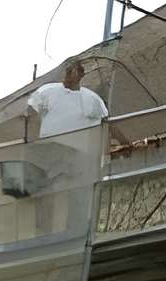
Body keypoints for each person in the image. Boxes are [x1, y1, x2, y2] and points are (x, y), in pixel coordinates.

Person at [20, 57, 109, 234]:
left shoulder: (91, 99)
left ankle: (76, 232)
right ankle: (43, 233)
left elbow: (106, 124)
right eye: (66, 71)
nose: (67, 75)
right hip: (50, 149)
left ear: (81, 74)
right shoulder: (49, 91)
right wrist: (32, 139)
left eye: (71, 71)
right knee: (46, 192)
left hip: (76, 154)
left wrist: (114, 148)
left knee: (77, 192)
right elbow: (30, 112)